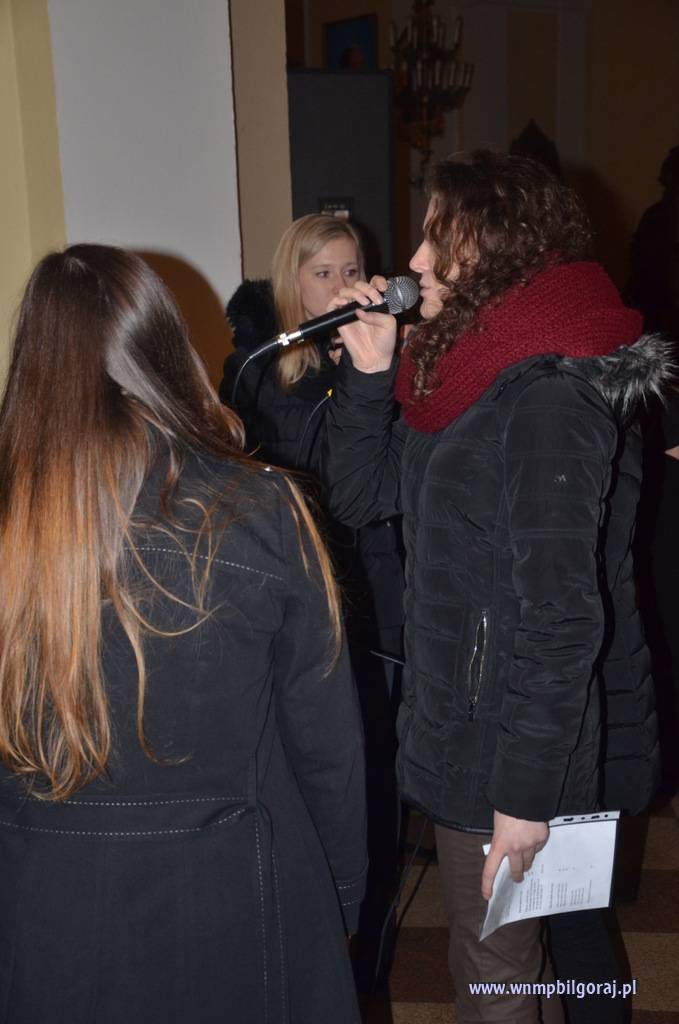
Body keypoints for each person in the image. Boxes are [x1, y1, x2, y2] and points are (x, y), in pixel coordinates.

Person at [322, 151, 667, 1023]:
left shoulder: (547, 396)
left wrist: (523, 797)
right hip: (476, 727)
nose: (413, 262)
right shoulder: (465, 374)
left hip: (508, 749)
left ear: (491, 250)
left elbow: (561, 615)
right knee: (535, 962)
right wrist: (369, 377)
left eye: (436, 240)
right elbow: (361, 497)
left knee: (497, 979)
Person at [0, 244, 367, 1024]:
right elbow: (324, 745)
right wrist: (338, 895)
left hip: (41, 903)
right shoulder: (261, 508)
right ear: (165, 352)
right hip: (232, 898)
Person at [220, 214, 406, 991]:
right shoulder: (260, 367)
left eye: (351, 270)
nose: (340, 286)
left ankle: (368, 957)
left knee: (376, 779)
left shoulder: (381, 351)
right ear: (289, 281)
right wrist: (350, 374)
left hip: (380, 595)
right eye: (321, 272)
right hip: (302, 601)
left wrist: (378, 366)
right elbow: (314, 474)